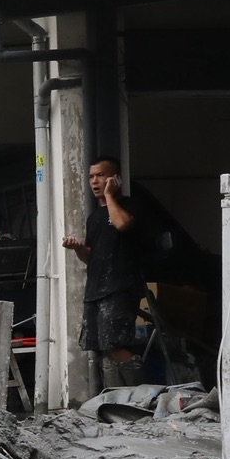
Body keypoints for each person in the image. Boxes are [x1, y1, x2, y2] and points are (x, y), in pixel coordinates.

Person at [63, 155, 184, 389]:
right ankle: (115, 396)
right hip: (96, 289)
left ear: (115, 178)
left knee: (115, 344)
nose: (95, 181)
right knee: (104, 347)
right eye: (91, 176)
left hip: (120, 287)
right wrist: (78, 248)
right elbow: (90, 257)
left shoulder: (130, 206)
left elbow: (122, 224)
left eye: (101, 175)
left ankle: (139, 395)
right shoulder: (94, 218)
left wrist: (109, 195)